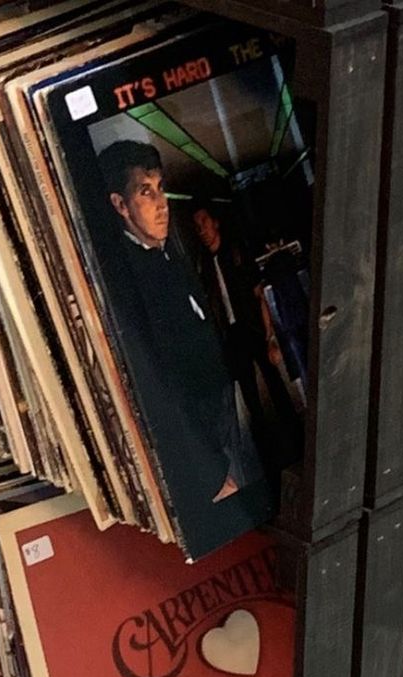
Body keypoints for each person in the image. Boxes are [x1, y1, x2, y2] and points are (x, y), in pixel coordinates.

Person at [96, 140, 243, 504]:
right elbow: (160, 388)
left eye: (160, 189)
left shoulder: (167, 255)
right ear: (121, 205)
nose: (162, 204)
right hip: (201, 449)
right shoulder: (128, 278)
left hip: (220, 413)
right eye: (146, 192)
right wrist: (211, 474)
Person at [191, 204, 299, 462]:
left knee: (274, 384)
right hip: (232, 335)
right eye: (197, 227)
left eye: (204, 222)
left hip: (251, 327)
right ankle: (267, 452)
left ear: (215, 223)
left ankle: (295, 437)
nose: (201, 231)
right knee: (250, 396)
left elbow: (258, 292)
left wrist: (270, 334)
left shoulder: (235, 252)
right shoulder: (205, 265)